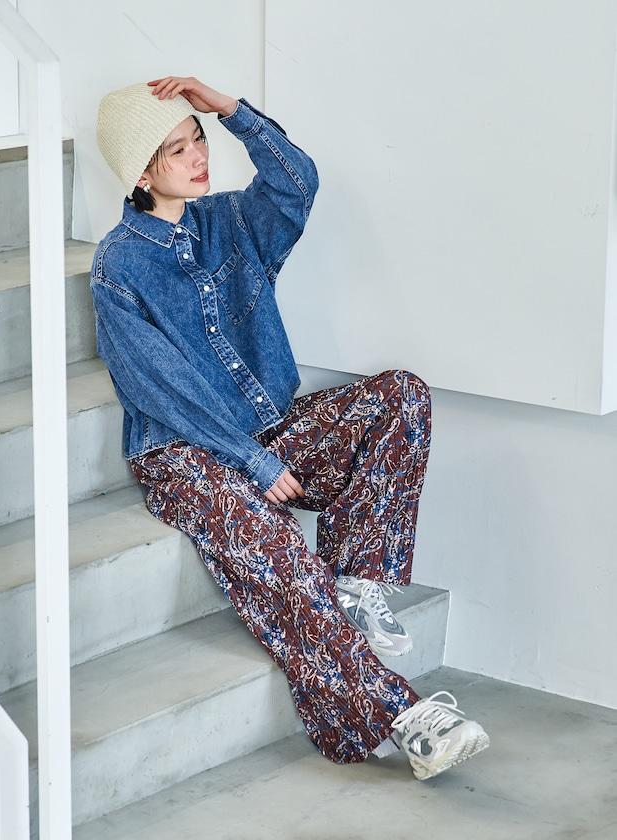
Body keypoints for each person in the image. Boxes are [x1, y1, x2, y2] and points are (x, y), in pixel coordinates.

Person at [91, 75, 490, 780]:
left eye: (197, 140)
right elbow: (158, 385)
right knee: (278, 550)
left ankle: (357, 580)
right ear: (142, 172)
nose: (198, 156)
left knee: (400, 395)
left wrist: (231, 111)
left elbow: (296, 182)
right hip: (187, 456)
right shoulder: (119, 264)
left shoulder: (229, 221)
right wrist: (251, 462)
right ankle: (403, 719)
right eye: (177, 149)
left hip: (269, 429)